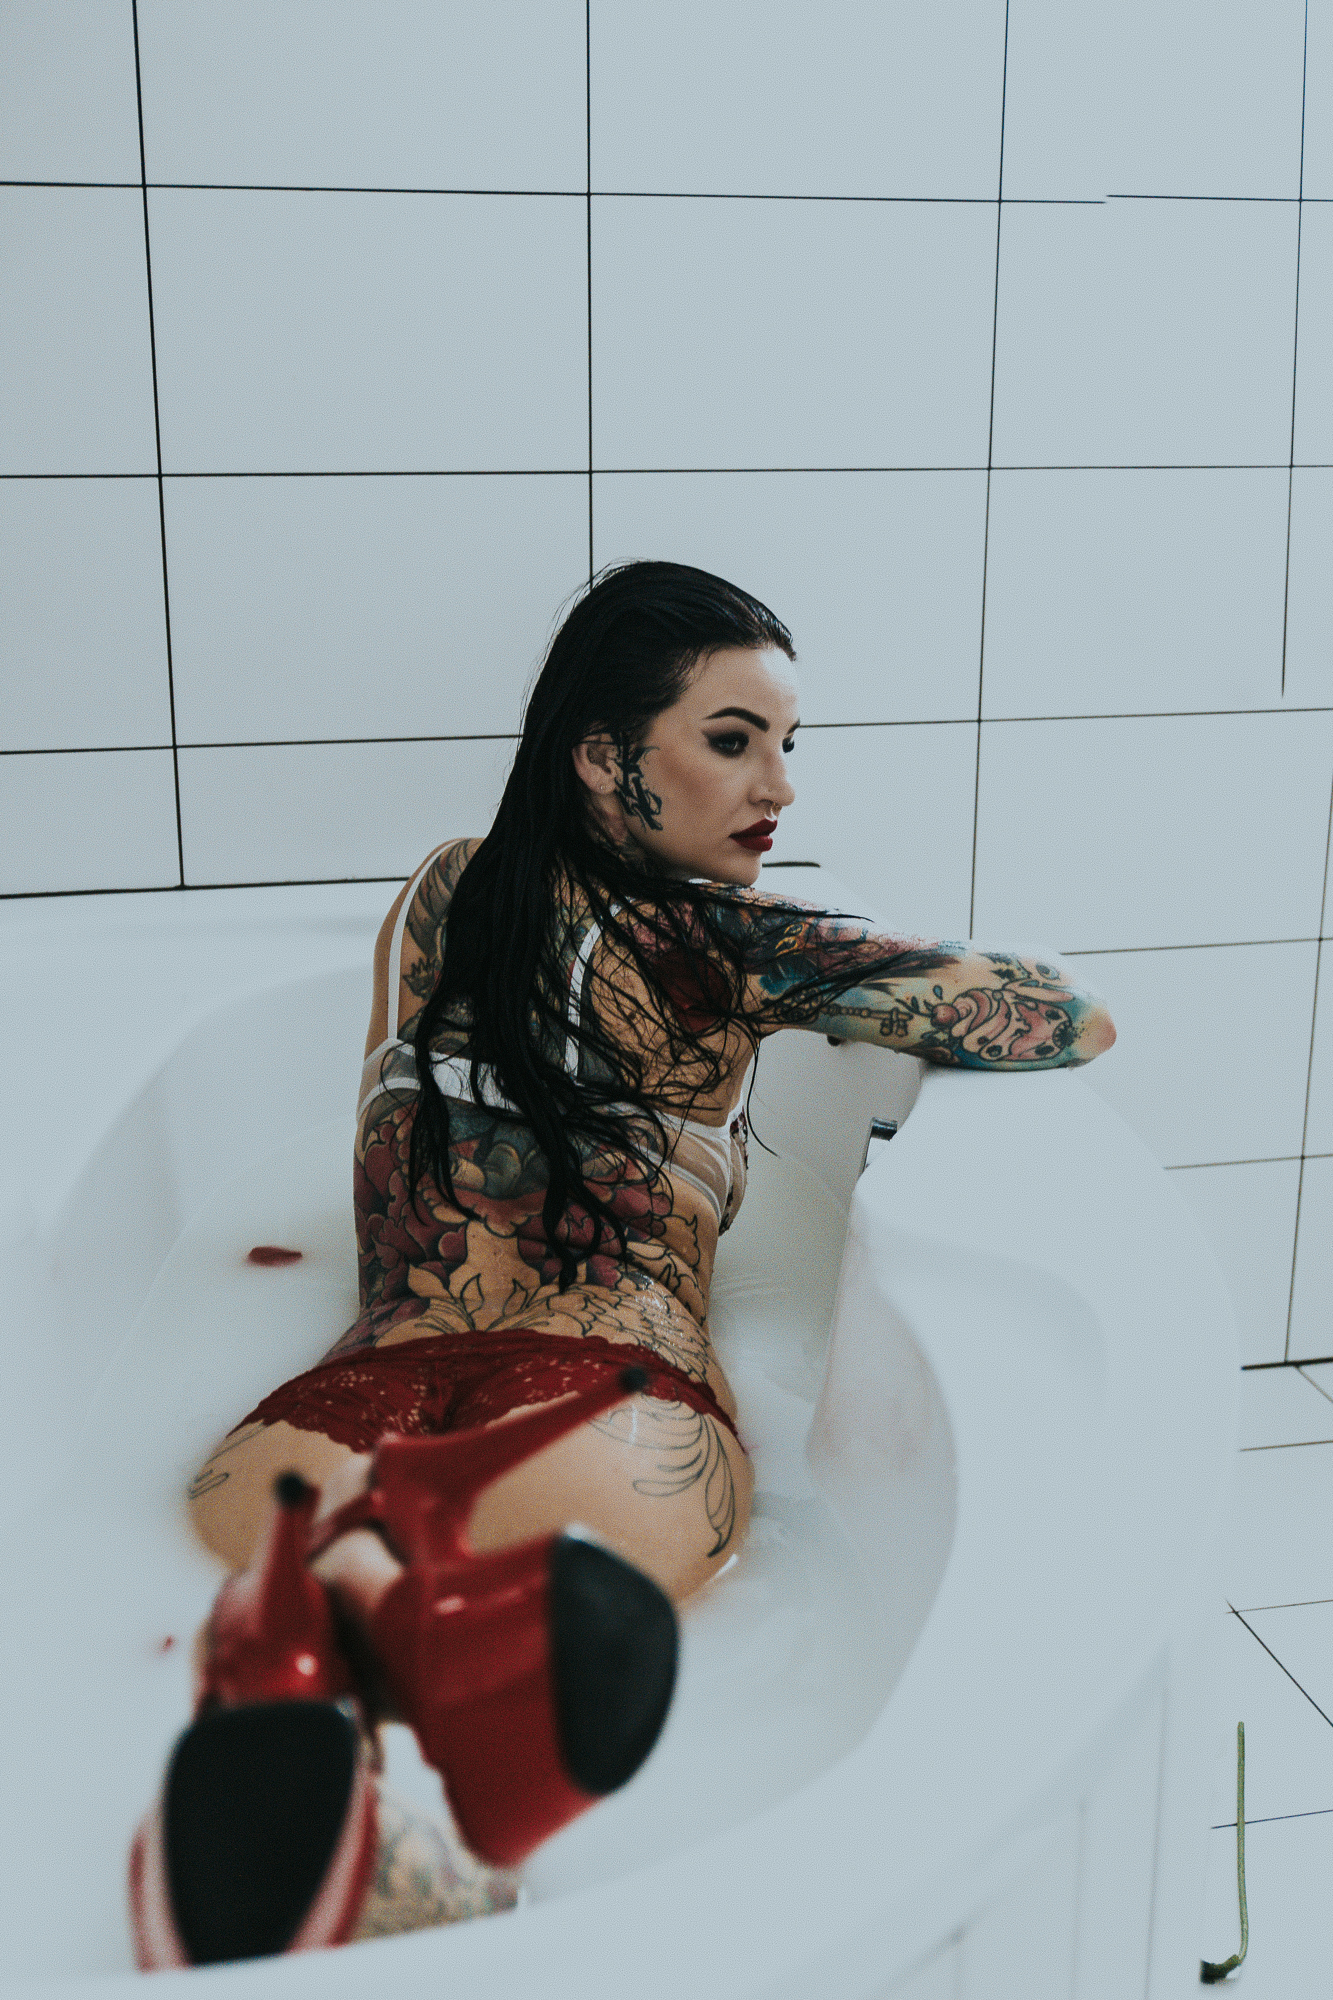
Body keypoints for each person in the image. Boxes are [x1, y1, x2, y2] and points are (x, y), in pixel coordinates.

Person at [129, 561, 1116, 1965]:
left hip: (317, 1430)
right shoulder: (729, 942)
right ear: (601, 757)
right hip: (595, 1412)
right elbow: (1063, 1016)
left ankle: (315, 1730)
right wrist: (814, 959)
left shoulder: (445, 892)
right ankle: (443, 1849)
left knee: (360, 1657)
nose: (777, 787)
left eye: (786, 744)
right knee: (525, 1721)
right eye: (732, 740)